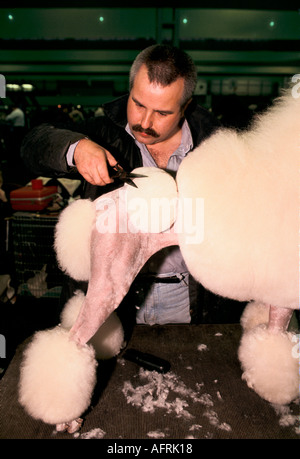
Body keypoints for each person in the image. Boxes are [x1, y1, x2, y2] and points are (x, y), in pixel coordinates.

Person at [21, 44, 220, 326]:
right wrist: (76, 148)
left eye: (162, 113)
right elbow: (34, 144)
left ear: (185, 107)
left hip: (189, 297)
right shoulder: (103, 134)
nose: (145, 122)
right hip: (116, 295)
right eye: (138, 104)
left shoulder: (216, 146)